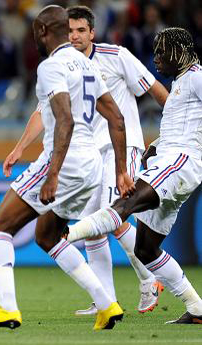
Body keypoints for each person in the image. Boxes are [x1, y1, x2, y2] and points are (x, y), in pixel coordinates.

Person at [0, 5, 134, 332]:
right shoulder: (86, 64)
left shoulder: (51, 66)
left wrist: (53, 174)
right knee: (48, 235)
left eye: (35, 34)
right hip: (91, 165)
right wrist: (120, 171)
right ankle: (106, 303)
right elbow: (116, 118)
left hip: (65, 160)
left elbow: (64, 119)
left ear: (43, 32)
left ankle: (7, 308)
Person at [66, 27, 202, 324]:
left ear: (179, 52)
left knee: (124, 203)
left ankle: (65, 236)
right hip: (171, 161)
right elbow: (180, 127)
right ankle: (197, 308)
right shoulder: (181, 83)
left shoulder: (196, 77)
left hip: (181, 162)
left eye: (162, 51)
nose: (157, 58)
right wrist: (154, 146)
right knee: (145, 248)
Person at [66, 5, 169, 315]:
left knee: (112, 216)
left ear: (92, 33)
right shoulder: (64, 66)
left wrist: (176, 126)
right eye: (70, 31)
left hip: (123, 147)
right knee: (94, 226)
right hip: (90, 154)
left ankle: (149, 278)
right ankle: (105, 301)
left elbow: (155, 89)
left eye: (81, 30)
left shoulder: (116, 55)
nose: (75, 36)